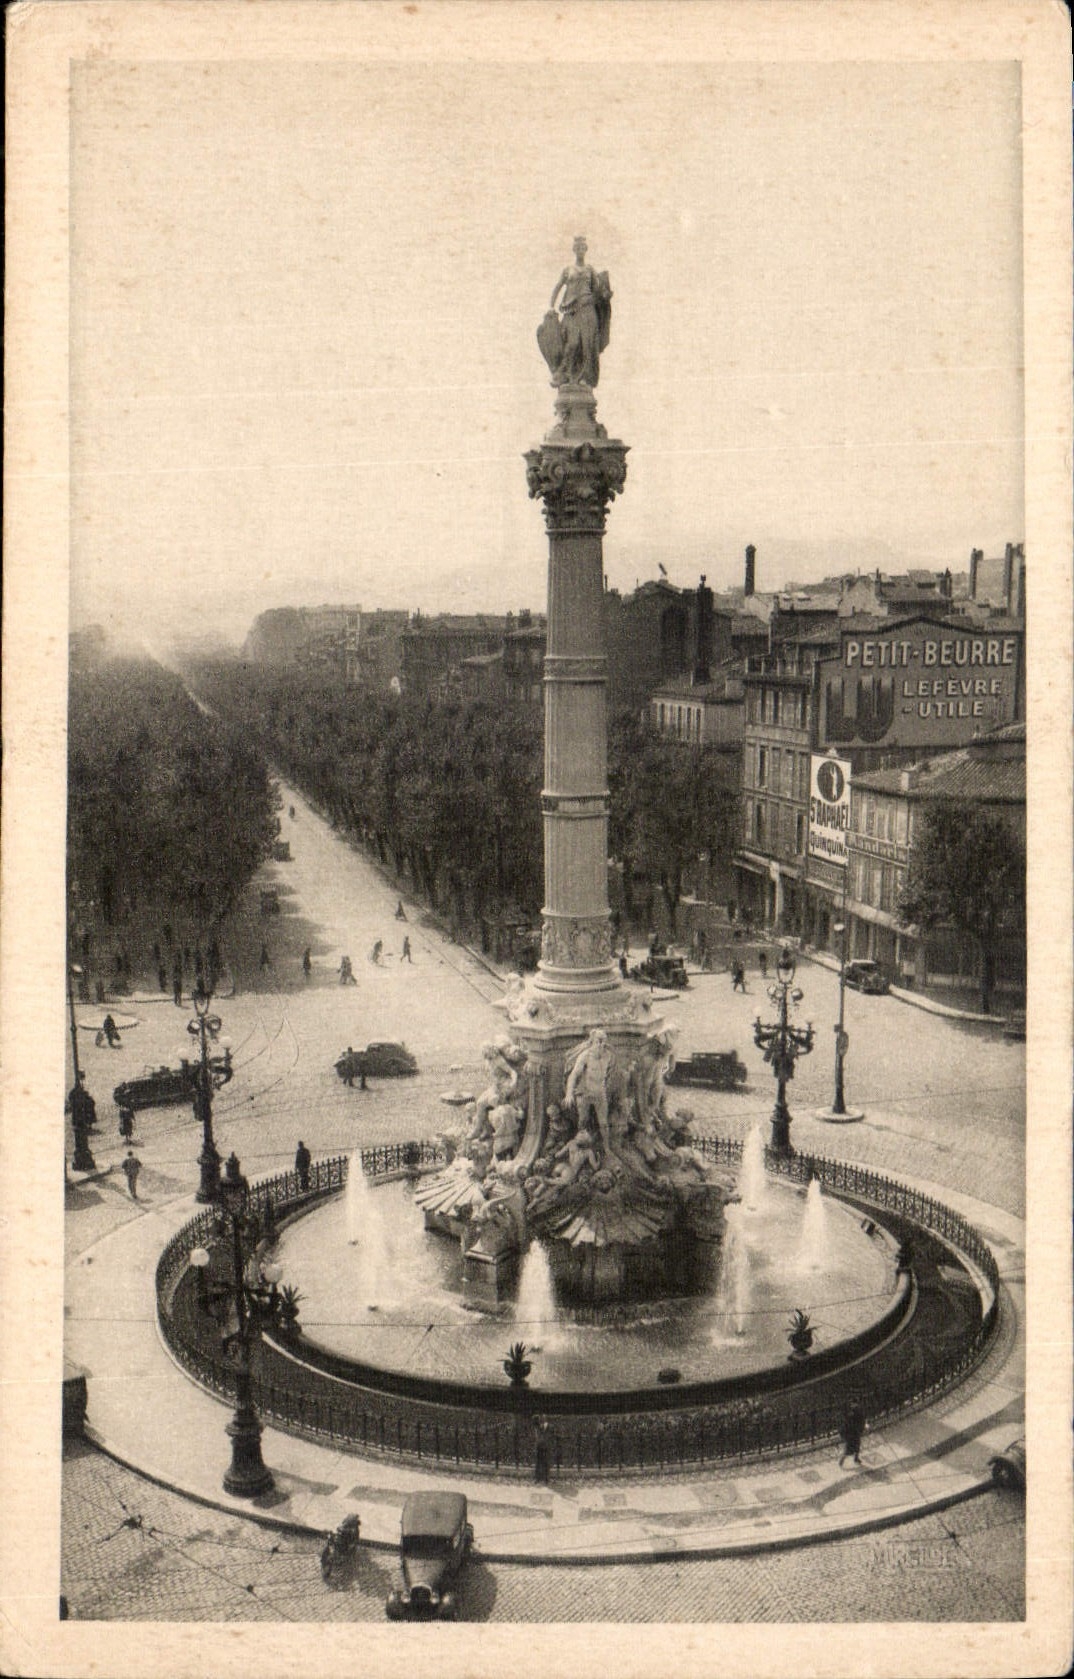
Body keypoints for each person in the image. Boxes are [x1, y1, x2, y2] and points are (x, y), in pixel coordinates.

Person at [543, 236, 612, 388]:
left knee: (587, 345)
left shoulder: (590, 270)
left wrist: (605, 295)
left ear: (585, 250)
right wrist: (551, 306)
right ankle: (565, 375)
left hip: (588, 310)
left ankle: (585, 379)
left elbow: (598, 290)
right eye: (577, 248)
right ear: (574, 250)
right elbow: (557, 287)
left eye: (583, 248)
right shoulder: (568, 270)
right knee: (572, 343)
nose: (580, 250)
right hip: (571, 310)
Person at [838, 1401, 866, 1467]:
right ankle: (842, 1459)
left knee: (857, 1446)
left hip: (854, 1434)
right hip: (851, 1435)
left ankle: (856, 1458)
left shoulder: (854, 1416)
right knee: (849, 1449)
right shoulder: (852, 1417)